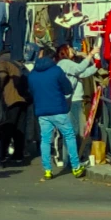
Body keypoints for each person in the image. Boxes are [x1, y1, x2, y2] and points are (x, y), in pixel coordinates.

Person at [28, 47, 85, 180]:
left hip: (42, 111)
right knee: (69, 136)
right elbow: (67, 89)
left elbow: (31, 91)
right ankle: (76, 167)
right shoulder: (56, 70)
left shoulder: (33, 74)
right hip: (59, 109)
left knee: (45, 140)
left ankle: (47, 170)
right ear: (52, 58)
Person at [55, 44, 98, 140]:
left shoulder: (66, 64)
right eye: (69, 49)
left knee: (76, 128)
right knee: (76, 128)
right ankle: (74, 152)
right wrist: (90, 54)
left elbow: (83, 73)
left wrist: (96, 66)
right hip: (73, 100)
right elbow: (80, 69)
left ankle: (75, 151)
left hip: (74, 99)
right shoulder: (65, 63)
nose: (72, 51)